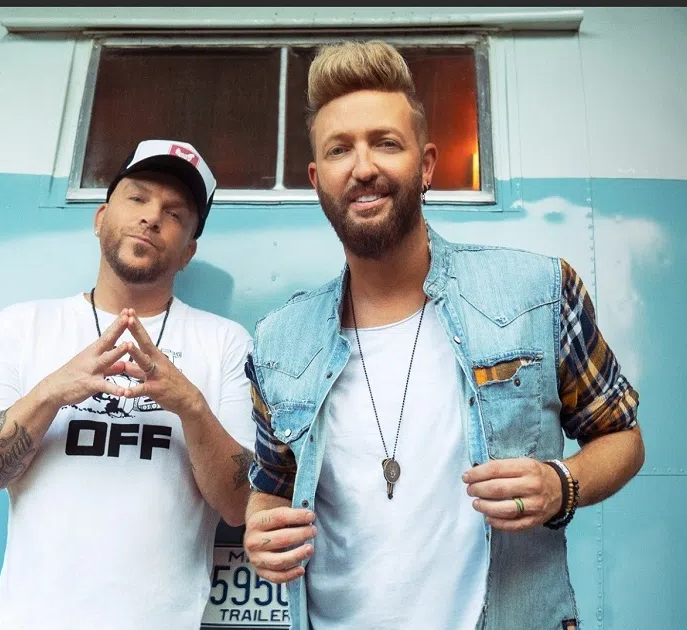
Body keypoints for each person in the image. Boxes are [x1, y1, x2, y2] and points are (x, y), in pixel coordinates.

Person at [242, 41, 645, 630]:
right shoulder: (279, 342)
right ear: (316, 178)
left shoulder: (537, 292)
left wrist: (561, 484)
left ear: (426, 165)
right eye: (339, 149)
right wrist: (261, 530)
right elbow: (272, 486)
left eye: (385, 143)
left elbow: (623, 438)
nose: (362, 167)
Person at [0, 139, 256, 629]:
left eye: (174, 214)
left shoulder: (225, 343)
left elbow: (241, 507)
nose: (151, 217)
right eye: (137, 198)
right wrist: (53, 390)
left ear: (188, 252)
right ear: (100, 218)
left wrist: (190, 406)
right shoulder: (22, 326)